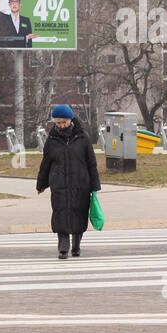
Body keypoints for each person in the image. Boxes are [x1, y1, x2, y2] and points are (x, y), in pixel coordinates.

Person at [36, 104, 100, 259]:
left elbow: (91, 163)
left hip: (81, 184)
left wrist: (94, 185)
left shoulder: (83, 137)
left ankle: (76, 245)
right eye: (58, 123)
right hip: (59, 185)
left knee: (79, 213)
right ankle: (63, 248)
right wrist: (41, 184)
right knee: (60, 214)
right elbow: (46, 163)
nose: (61, 125)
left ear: (70, 120)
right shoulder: (51, 140)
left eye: (63, 122)